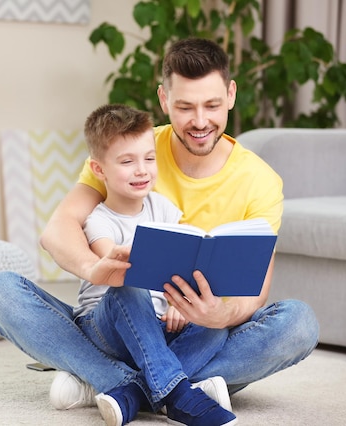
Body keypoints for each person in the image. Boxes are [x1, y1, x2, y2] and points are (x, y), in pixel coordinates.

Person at [0, 37, 319, 425]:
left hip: (191, 330)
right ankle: (177, 390)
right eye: (184, 106)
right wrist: (96, 270)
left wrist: (218, 313)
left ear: (230, 94)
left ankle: (112, 385)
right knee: (1, 292)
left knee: (299, 323)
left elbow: (254, 293)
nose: (200, 121)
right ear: (163, 99)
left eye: (211, 105)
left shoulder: (260, 180)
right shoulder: (134, 146)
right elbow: (57, 231)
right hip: (118, 319)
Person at [74, 102, 236, 425]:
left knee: (216, 324)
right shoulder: (99, 221)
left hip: (159, 326)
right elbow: (120, 269)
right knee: (129, 287)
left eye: (149, 158)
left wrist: (183, 303)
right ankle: (179, 396)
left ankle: (133, 394)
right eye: (127, 161)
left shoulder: (163, 209)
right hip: (107, 324)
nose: (142, 170)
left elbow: (178, 271)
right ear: (99, 170)